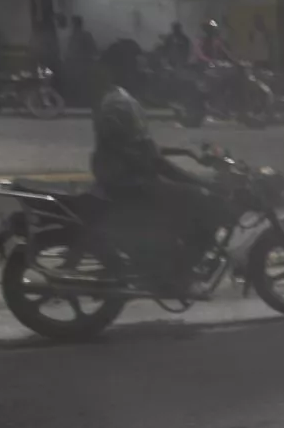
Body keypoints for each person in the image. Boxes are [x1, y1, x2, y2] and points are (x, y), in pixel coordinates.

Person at [89, 85, 227, 291]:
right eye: (129, 115)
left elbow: (153, 154)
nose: (134, 119)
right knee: (202, 202)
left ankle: (175, 262)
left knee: (185, 197)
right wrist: (202, 183)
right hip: (132, 187)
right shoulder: (122, 137)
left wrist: (186, 152)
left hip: (125, 184)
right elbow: (160, 164)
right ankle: (179, 271)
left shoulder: (116, 136)